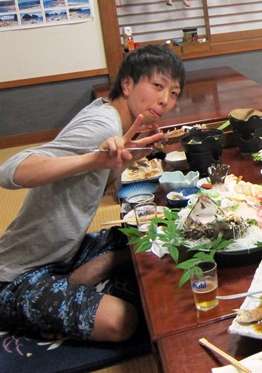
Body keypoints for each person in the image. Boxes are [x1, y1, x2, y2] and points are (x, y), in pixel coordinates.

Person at [0, 45, 185, 342]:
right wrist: (94, 159)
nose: (165, 100)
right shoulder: (103, 125)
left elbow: (85, 184)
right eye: (157, 86)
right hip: (15, 276)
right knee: (124, 321)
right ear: (127, 84)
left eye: (173, 93)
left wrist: (124, 162)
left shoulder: (108, 112)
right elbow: (9, 170)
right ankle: (43, 302)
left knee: (158, 238)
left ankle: (77, 278)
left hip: (66, 252)